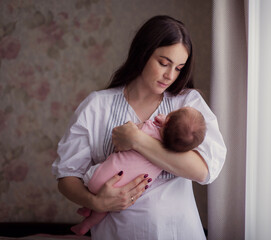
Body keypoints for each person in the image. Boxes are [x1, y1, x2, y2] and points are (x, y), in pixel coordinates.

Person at [52, 15, 226, 239]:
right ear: (143, 53)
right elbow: (67, 176)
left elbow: (203, 171)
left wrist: (138, 140)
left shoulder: (187, 104)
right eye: (163, 63)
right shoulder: (97, 105)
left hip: (177, 232)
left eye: (179, 68)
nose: (170, 76)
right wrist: (95, 202)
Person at [70, 107, 207, 236]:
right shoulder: (170, 158)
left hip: (97, 178)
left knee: (97, 185)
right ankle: (87, 224)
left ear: (168, 120)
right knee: (107, 208)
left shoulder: (147, 128)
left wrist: (158, 123)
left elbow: (127, 134)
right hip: (120, 193)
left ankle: (89, 205)